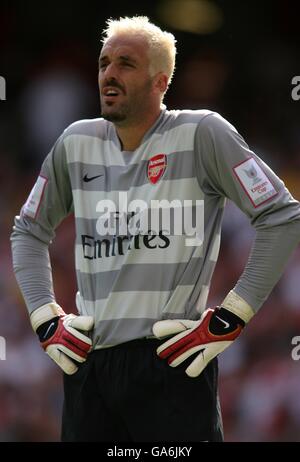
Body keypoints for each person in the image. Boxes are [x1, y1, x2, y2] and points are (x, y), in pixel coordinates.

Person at [11, 16, 300, 442]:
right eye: (104, 62)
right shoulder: (75, 142)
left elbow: (280, 215)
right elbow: (28, 230)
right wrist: (44, 318)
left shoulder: (203, 132)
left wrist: (231, 317)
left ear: (160, 81)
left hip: (172, 359)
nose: (109, 74)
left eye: (125, 63)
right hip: (90, 365)